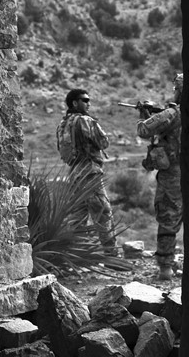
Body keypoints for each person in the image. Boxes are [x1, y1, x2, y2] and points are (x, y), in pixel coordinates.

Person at [56, 88, 117, 255]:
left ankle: (73, 256)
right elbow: (104, 143)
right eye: (85, 100)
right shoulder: (85, 121)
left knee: (77, 218)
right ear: (75, 103)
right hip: (90, 173)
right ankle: (111, 256)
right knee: (103, 213)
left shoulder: (63, 124)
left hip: (74, 175)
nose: (88, 103)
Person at [137, 73, 183, 280]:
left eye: (176, 89)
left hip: (173, 174)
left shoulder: (173, 113)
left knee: (168, 217)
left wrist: (144, 115)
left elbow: (144, 130)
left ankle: (165, 267)